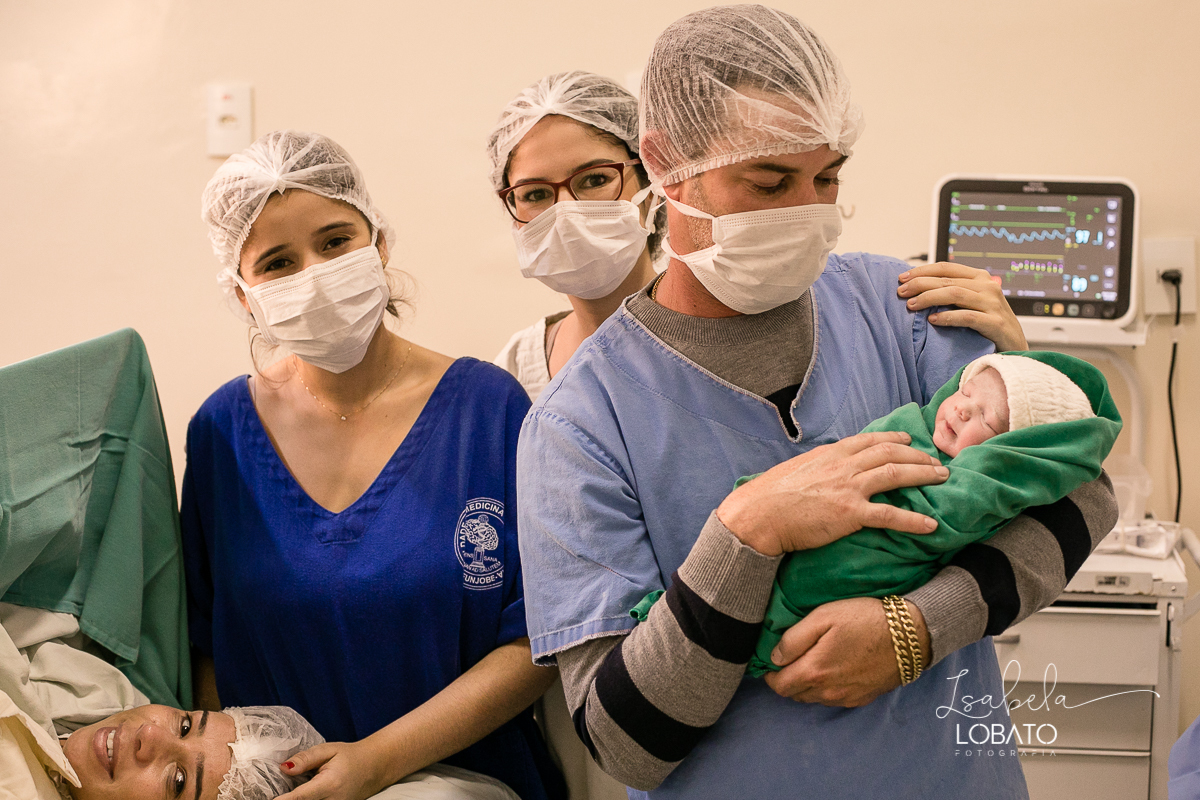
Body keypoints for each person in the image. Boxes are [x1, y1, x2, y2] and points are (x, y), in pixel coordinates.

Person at [514, 6, 1118, 799]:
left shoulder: (901, 307)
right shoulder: (580, 422)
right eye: (769, 181)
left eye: (827, 177)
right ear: (665, 164)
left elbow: (1080, 490)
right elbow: (625, 742)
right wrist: (746, 532)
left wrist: (918, 629)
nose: (808, 208)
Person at [185, 131, 563, 800]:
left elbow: (537, 637)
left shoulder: (486, 408)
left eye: (334, 242)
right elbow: (203, 649)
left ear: (379, 243)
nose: (315, 272)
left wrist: (376, 765)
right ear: (244, 296)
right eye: (277, 262)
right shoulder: (222, 436)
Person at [734, 351, 1121, 674]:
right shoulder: (916, 427)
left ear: (1012, 452)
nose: (962, 410)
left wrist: (923, 622)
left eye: (986, 418)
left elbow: (1092, 497)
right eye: (965, 393)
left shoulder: (978, 486)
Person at [489, 71, 664, 401]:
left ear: (652, 184)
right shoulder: (516, 373)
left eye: (595, 180)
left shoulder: (726, 334)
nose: (565, 212)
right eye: (536, 194)